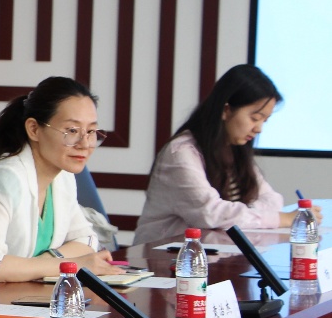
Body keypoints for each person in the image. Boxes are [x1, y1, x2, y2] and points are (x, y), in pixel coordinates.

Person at [133, 64, 319, 244]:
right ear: (226, 110)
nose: (259, 129)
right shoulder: (181, 153)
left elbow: (272, 200)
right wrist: (281, 219)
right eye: (255, 118)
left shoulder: (235, 149)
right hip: (164, 256)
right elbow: (211, 213)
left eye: (264, 121)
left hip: (215, 252)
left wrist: (240, 214)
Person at [0, 76, 124, 282]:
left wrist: (49, 260)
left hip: (33, 294)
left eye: (91, 131)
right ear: (34, 129)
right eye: (72, 130)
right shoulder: (2, 179)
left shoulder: (63, 177)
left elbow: (87, 240)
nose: (85, 144)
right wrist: (70, 264)